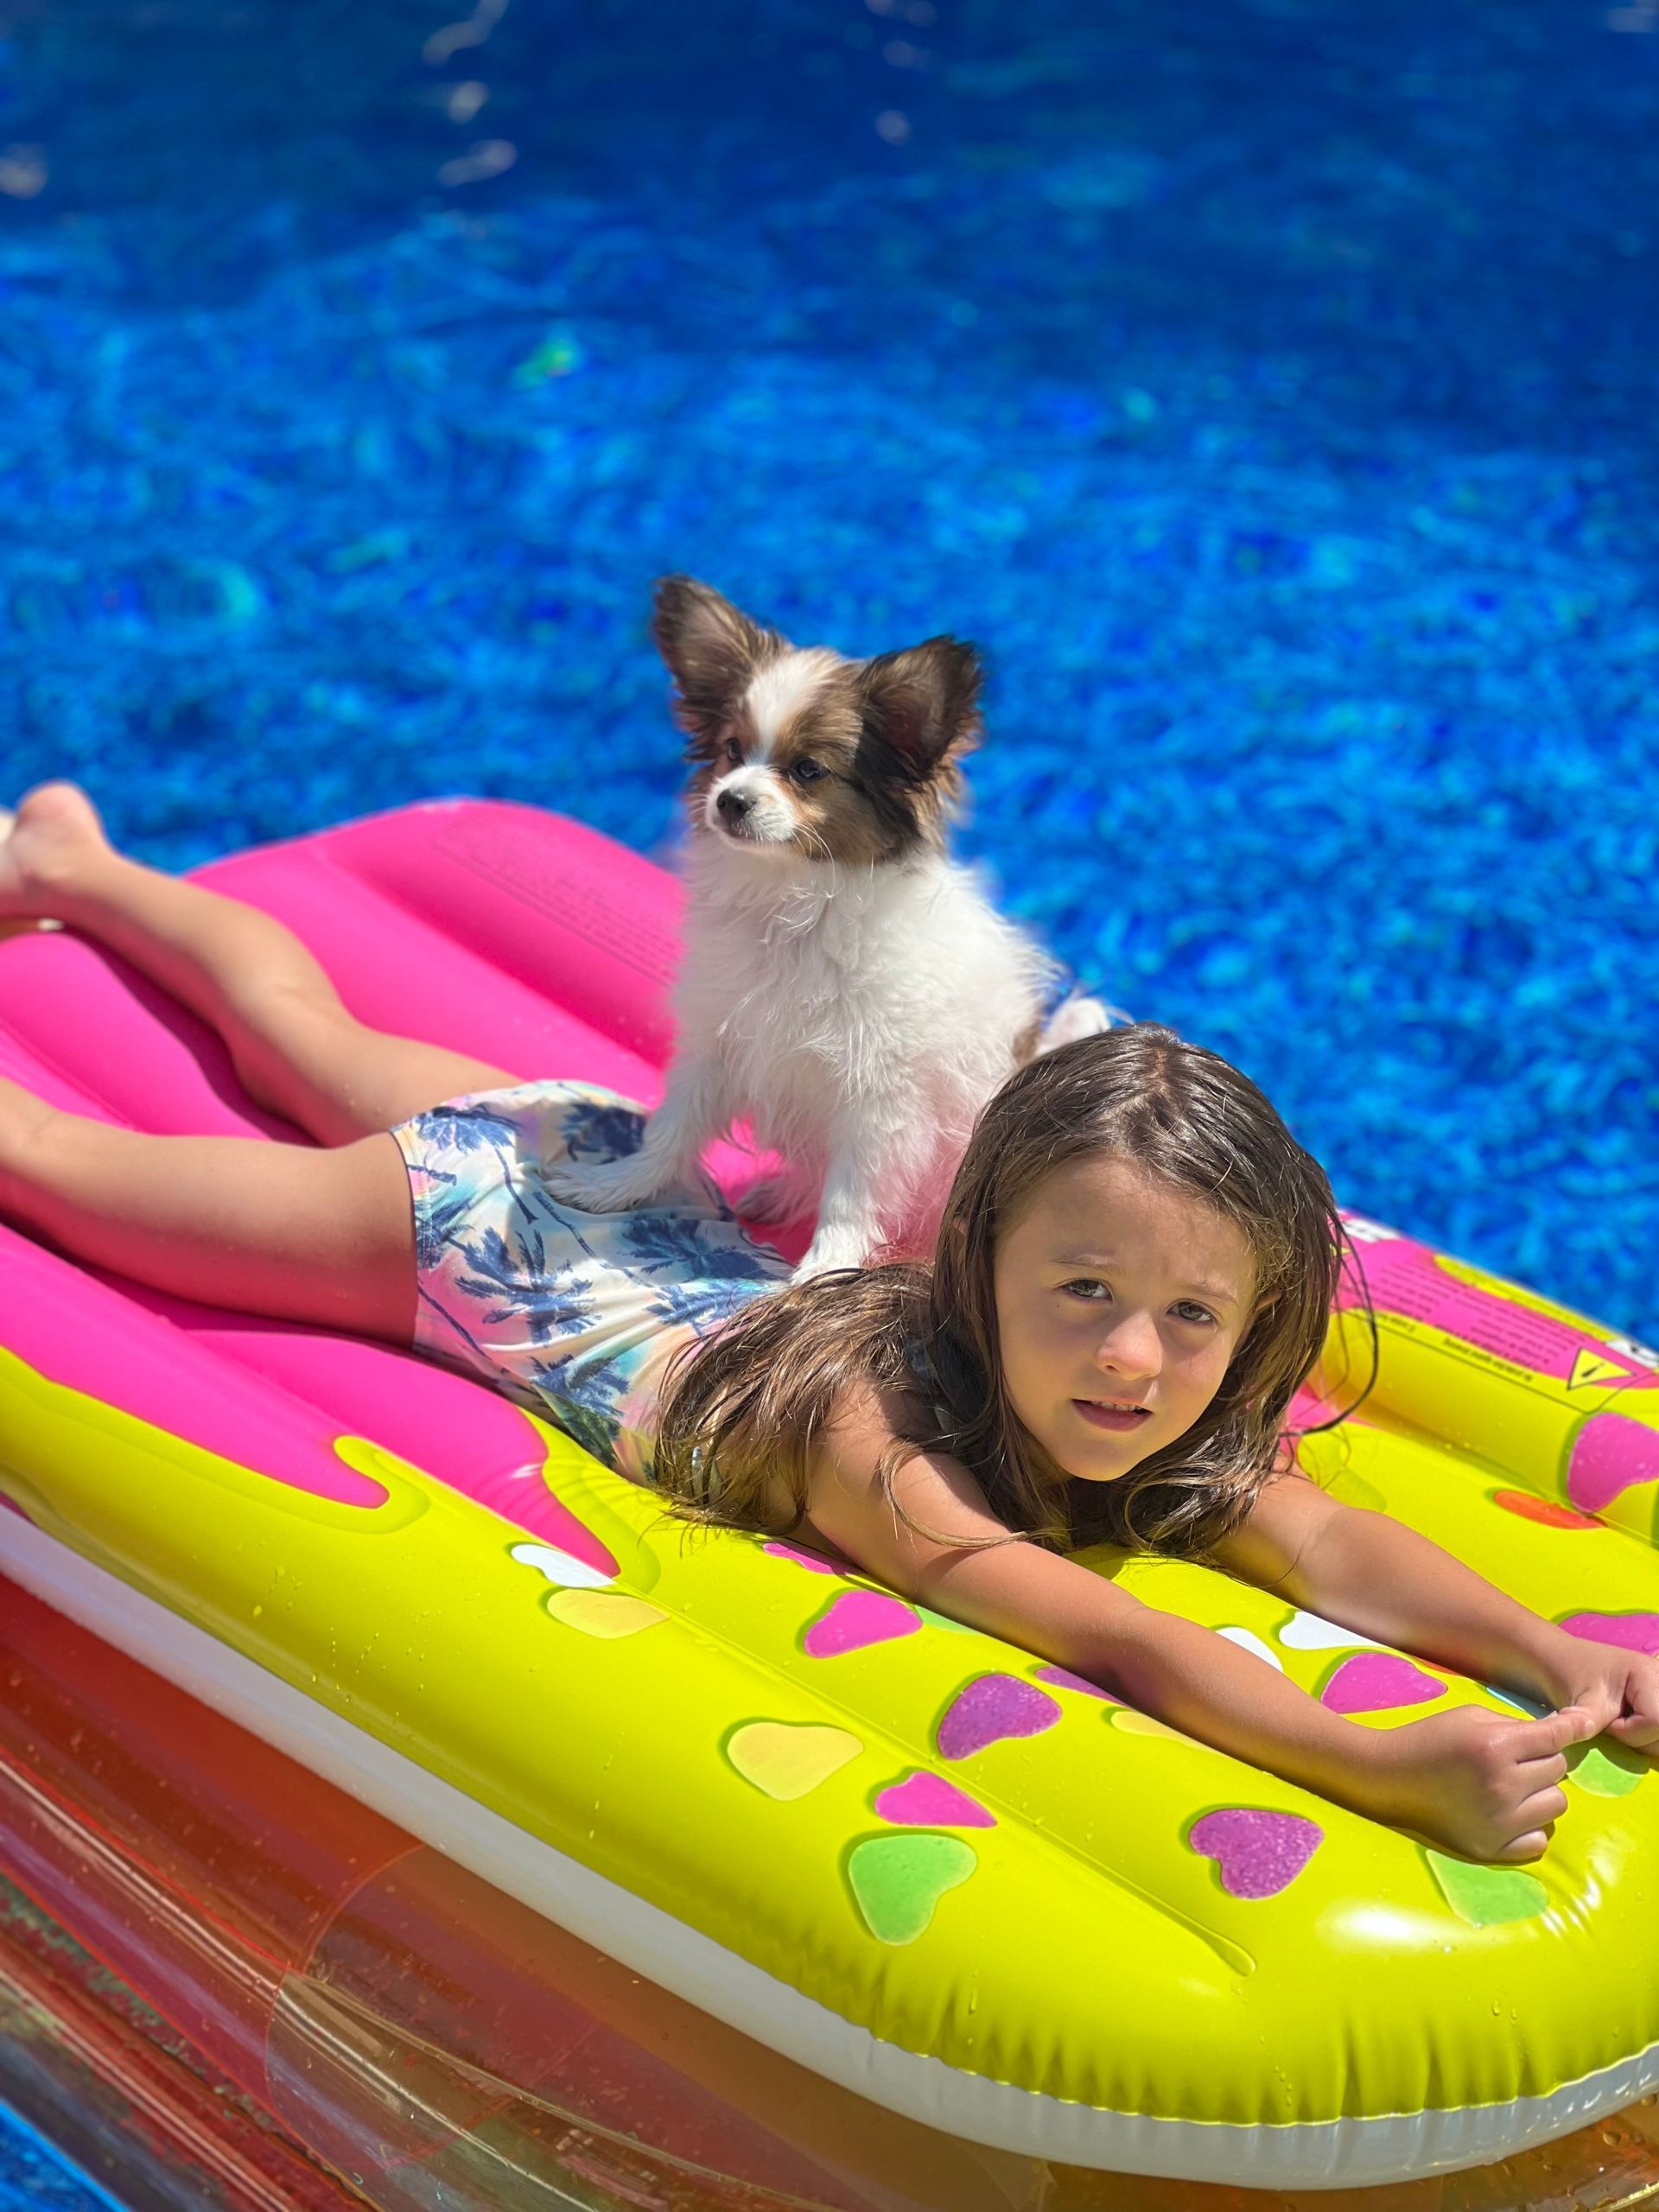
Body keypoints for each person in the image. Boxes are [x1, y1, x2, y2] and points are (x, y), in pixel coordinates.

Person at [2, 782, 1654, 1872]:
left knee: (305, 1033)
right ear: (981, 1265)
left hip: (629, 1179)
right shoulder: (874, 1433)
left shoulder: (1136, 1397)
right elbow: (1118, 1638)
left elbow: (1326, 1542)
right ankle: (85, 874)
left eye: (1188, 1316)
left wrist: (1550, 1650)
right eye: (1082, 1296)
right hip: (490, 1242)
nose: (1132, 1360)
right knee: (83, 1169)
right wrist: (1371, 1763)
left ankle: (74, 867)